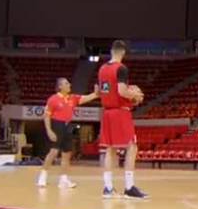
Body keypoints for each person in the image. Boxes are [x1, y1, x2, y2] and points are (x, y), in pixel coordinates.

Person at [97, 40, 146, 199]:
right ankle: (129, 187)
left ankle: (108, 187)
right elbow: (122, 91)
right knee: (132, 146)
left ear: (111, 51)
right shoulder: (121, 68)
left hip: (107, 112)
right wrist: (136, 95)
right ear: (123, 52)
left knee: (110, 149)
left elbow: (101, 91)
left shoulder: (102, 69)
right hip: (120, 111)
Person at [37, 77, 98, 189]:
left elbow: (87, 98)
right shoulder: (53, 99)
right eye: (66, 83)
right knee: (53, 152)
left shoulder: (72, 98)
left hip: (67, 125)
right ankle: (42, 176)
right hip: (56, 125)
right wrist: (49, 130)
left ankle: (63, 180)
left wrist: (95, 93)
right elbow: (46, 116)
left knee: (67, 154)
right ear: (60, 86)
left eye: (69, 83)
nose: (69, 84)